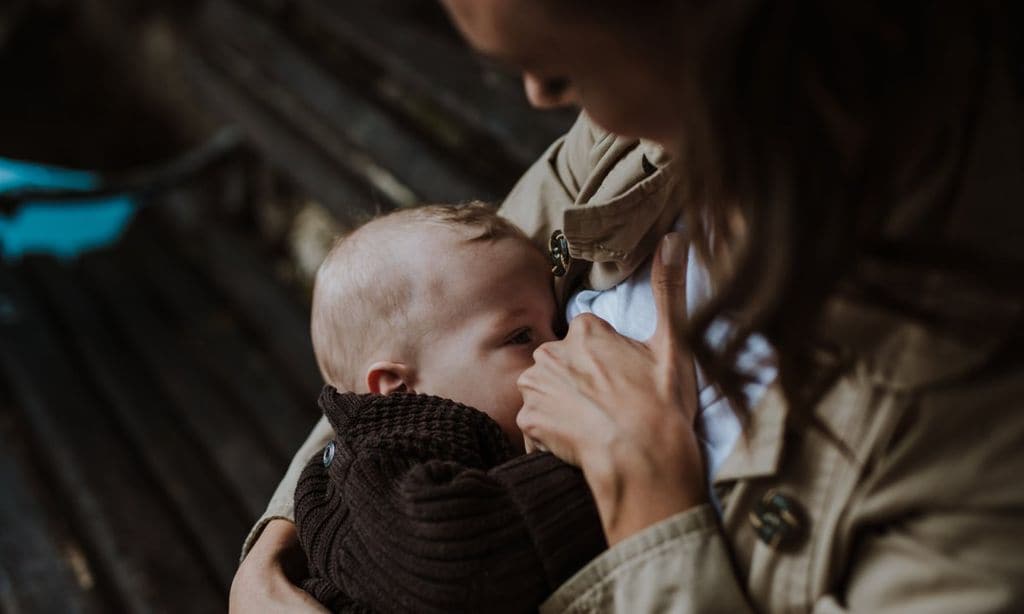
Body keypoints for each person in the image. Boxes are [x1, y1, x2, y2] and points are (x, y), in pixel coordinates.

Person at [232, 1, 1024, 612]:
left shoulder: (971, 448)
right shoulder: (640, 139)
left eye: (564, 69)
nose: (543, 95)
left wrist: (650, 499)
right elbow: (406, 325)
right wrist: (278, 546)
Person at [293, 203, 606, 612]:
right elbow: (457, 564)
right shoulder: (375, 469)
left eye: (556, 328)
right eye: (520, 337)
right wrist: (604, 458)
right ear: (399, 389)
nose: (558, 350)